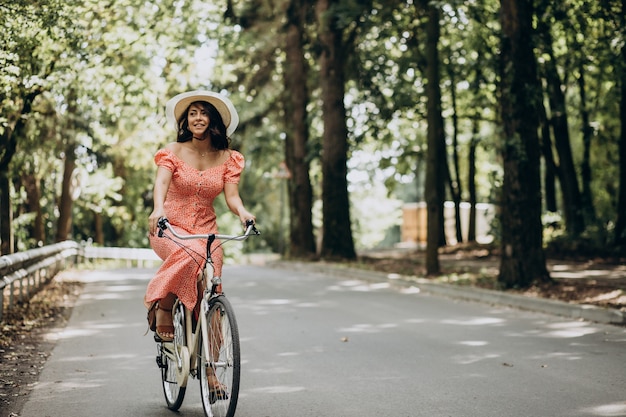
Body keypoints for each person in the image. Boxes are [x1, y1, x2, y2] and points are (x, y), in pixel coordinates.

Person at [144, 90, 255, 342]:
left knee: (213, 291)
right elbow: (161, 183)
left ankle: (213, 370)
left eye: (203, 113)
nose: (197, 118)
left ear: (214, 120)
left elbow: (232, 197)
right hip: (169, 227)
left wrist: (243, 213)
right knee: (189, 251)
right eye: (192, 113)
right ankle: (163, 306)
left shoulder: (229, 158)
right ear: (186, 121)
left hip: (206, 231)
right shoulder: (172, 151)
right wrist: (158, 208)